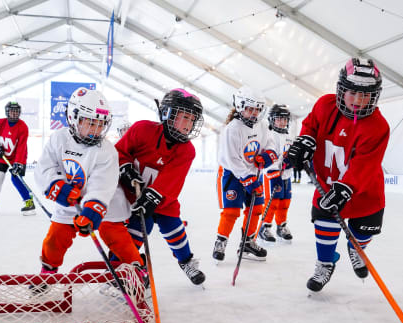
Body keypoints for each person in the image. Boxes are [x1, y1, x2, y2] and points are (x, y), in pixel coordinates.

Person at [288, 57, 389, 293]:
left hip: (365, 192)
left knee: (360, 234)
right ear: (341, 89)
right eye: (352, 93)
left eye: (365, 95)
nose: (358, 100)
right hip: (328, 183)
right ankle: (325, 263)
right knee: (324, 223)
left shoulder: (378, 126)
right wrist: (305, 140)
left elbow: (366, 164)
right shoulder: (325, 105)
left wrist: (347, 187)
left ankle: (356, 249)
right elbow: (310, 125)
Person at [33, 87, 142, 291]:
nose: (96, 129)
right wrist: (57, 187)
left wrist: (92, 209)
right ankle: (48, 271)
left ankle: (136, 269)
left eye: (100, 124)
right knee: (55, 238)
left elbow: (103, 184)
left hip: (105, 203)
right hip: (68, 200)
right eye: (90, 122)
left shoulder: (107, 150)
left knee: (115, 235)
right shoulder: (58, 139)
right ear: (74, 118)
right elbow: (45, 167)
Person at [112, 88, 206, 286]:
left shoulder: (187, 150)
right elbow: (118, 152)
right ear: (167, 114)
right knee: (133, 235)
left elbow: (172, 180)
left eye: (192, 120)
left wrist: (153, 197)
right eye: (184, 117)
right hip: (133, 199)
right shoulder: (141, 129)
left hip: (164, 201)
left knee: (175, 231)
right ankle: (117, 269)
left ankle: (186, 262)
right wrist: (125, 168)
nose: (188, 125)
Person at [212, 86, 278, 262]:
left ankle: (247, 242)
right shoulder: (232, 129)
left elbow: (271, 146)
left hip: (253, 173)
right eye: (250, 109)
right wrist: (248, 179)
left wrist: (266, 157)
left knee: (255, 209)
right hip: (233, 175)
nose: (254, 113)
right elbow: (232, 159)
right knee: (231, 211)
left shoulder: (263, 126)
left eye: (257, 109)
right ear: (240, 107)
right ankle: (221, 241)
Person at [0, 102, 35, 215]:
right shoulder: (0, 123)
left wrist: (18, 162)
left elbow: (21, 146)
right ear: (7, 112)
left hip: (18, 157)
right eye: (12, 111)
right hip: (2, 157)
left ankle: (29, 202)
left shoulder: (23, 127)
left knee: (16, 179)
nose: (14, 113)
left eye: (16, 111)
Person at [257, 104, 295, 243]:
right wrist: (278, 165)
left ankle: (281, 226)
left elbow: (290, 153)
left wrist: (293, 161)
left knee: (285, 202)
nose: (282, 122)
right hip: (272, 174)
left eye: (284, 119)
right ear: (272, 120)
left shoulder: (289, 136)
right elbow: (269, 154)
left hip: (286, 174)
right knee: (272, 201)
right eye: (279, 119)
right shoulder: (269, 135)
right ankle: (264, 227)